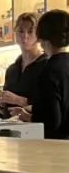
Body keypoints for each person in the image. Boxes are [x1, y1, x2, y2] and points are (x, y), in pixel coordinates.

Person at [21, 9, 69, 139]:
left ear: (43, 39)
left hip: (58, 148)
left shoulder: (49, 71)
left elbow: (52, 121)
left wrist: (28, 117)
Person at [0, 12, 48, 118]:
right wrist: (0, 105)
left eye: (30, 31)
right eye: (21, 31)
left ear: (38, 35)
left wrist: (18, 100)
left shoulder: (46, 64)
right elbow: (5, 113)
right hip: (13, 130)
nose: (25, 36)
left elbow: (49, 106)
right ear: (15, 34)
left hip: (37, 130)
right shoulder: (12, 70)